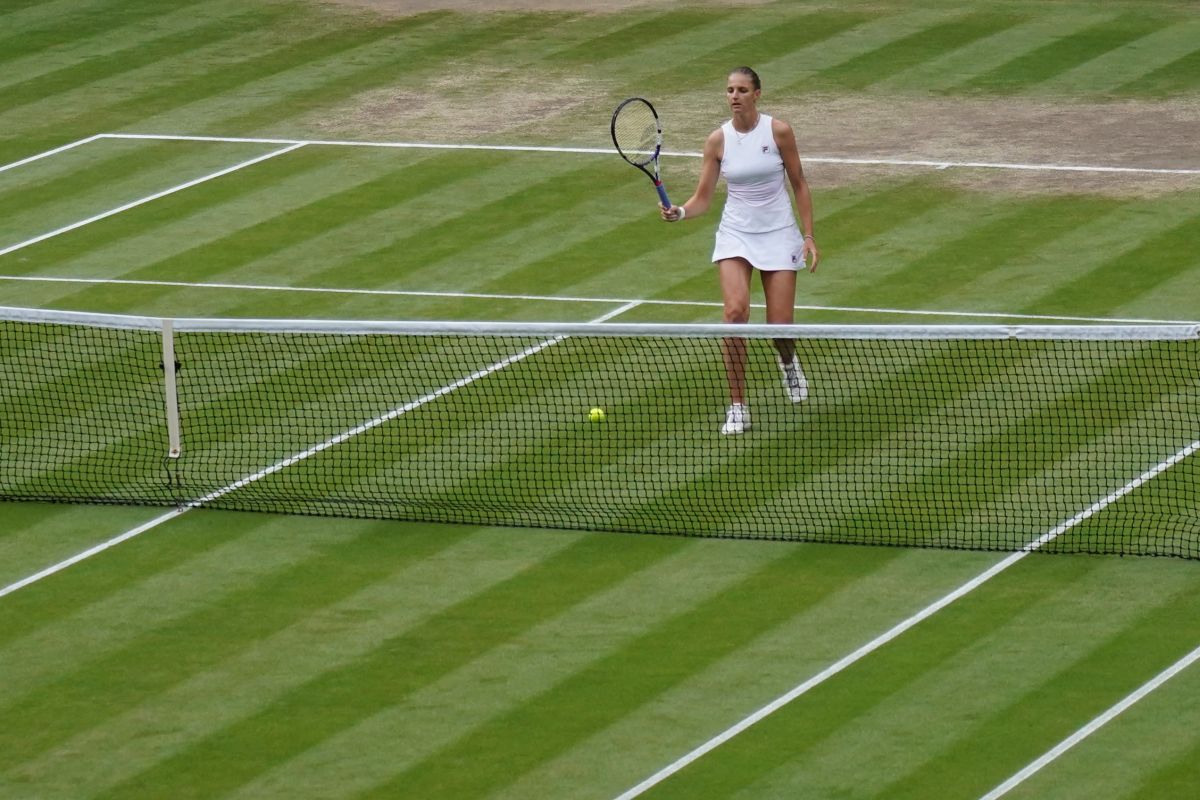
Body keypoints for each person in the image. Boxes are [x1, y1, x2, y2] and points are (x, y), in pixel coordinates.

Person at [661, 66, 820, 435]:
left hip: (779, 233)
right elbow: (703, 199)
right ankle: (737, 406)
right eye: (730, 90)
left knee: (779, 327)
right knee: (734, 315)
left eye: (742, 90)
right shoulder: (717, 140)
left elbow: (799, 184)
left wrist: (808, 235)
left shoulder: (778, 131)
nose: (734, 96)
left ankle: (788, 363)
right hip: (736, 234)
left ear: (757, 94)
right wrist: (681, 211)